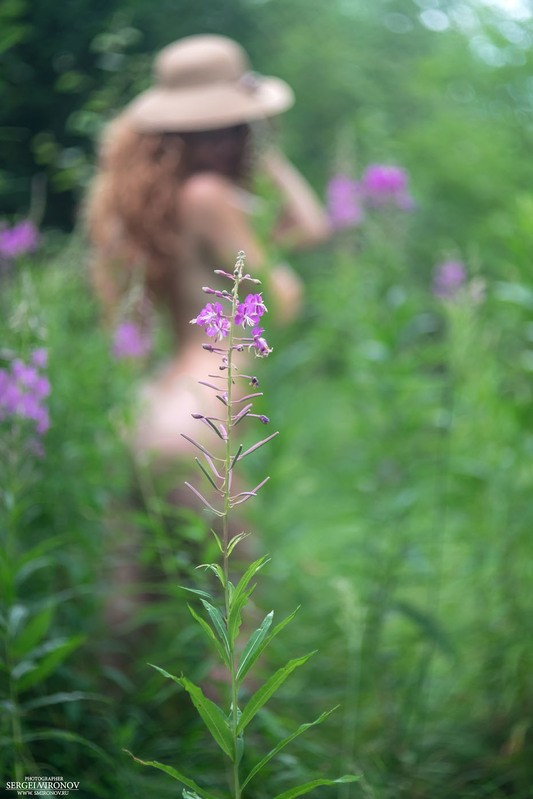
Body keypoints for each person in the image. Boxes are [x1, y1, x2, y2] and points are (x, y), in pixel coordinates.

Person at [85, 34, 330, 460]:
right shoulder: (207, 196)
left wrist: (263, 153)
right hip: (212, 401)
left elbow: (311, 229)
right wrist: (263, 144)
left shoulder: (171, 202)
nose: (224, 144)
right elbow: (280, 299)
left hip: (168, 401)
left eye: (232, 129)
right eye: (211, 132)